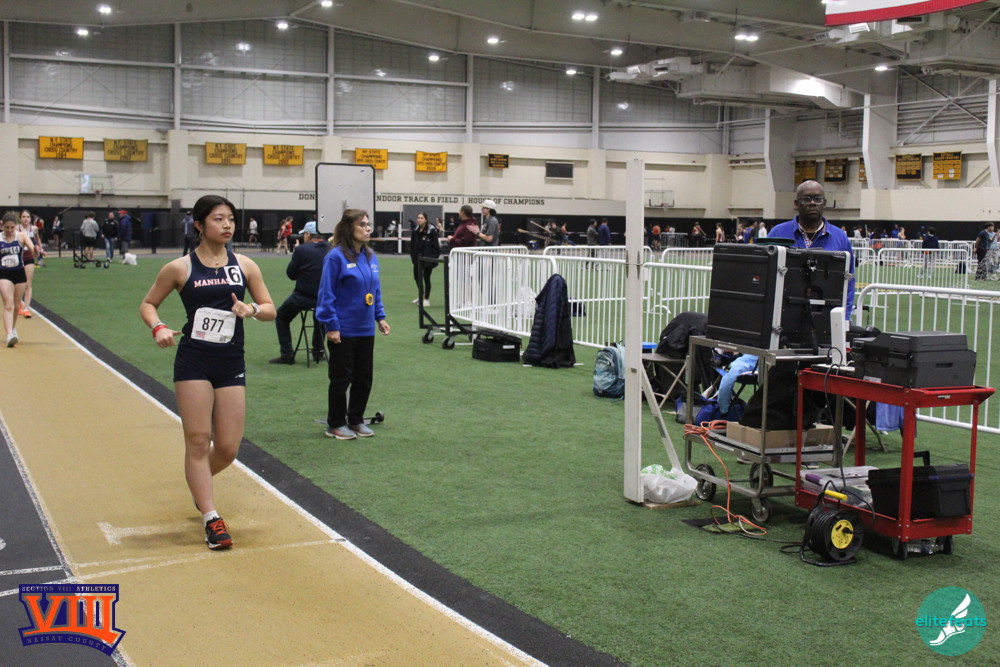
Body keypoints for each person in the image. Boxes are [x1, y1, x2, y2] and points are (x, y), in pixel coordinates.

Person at [139, 194, 275, 550]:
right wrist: (158, 327)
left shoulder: (245, 265)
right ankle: (211, 517)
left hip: (231, 363)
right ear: (199, 225)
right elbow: (149, 304)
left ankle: (198, 481)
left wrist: (251, 310)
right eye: (218, 218)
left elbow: (270, 309)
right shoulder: (179, 268)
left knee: (227, 448)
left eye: (230, 218)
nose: (227, 225)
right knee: (198, 440)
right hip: (194, 362)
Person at [315, 209, 390, 440]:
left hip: (365, 328)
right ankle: (336, 424)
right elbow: (326, 294)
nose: (368, 229)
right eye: (362, 225)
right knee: (341, 378)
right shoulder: (335, 257)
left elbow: (374, 290)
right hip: (343, 328)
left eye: (368, 224)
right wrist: (332, 325)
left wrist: (380, 317)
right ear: (349, 229)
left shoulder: (370, 256)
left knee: (364, 377)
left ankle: (356, 419)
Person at [769, 180, 855, 317]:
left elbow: (849, 281)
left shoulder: (840, 237)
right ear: (796, 204)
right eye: (806, 199)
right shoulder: (777, 233)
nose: (812, 203)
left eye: (817, 198)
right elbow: (766, 275)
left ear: (824, 203)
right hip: (783, 311)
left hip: (826, 313)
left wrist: (845, 317)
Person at [269, 221, 331, 365]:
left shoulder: (302, 250)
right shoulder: (332, 249)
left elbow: (291, 274)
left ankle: (287, 354)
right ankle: (318, 351)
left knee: (281, 316)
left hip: (303, 297)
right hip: (325, 298)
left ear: (308, 234)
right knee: (320, 318)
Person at [1, 211, 34, 347]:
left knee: (15, 306)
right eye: (6, 227)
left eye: (12, 227)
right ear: (2, 226)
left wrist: (36, 251)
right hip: (3, 273)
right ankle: (9, 334)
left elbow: (32, 248)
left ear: (15, 226)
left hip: (19, 273)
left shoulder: (21, 236)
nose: (9, 230)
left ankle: (13, 328)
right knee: (8, 304)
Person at [409, 212, 440, 306]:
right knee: (416, 276)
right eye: (418, 218)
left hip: (428, 258)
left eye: (421, 218)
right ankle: (421, 295)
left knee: (426, 277)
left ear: (425, 219)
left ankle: (426, 299)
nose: (419, 219)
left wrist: (432, 259)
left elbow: (436, 247)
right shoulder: (415, 230)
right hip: (418, 258)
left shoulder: (431, 230)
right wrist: (413, 257)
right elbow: (412, 245)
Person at [17, 210, 40, 317]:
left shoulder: (34, 228)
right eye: (23, 217)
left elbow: (37, 239)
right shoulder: (16, 229)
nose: (26, 219)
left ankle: (26, 308)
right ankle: (19, 304)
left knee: (28, 283)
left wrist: (40, 249)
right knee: (18, 284)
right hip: (18, 259)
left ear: (30, 219)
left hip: (29, 257)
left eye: (27, 217)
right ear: (20, 218)